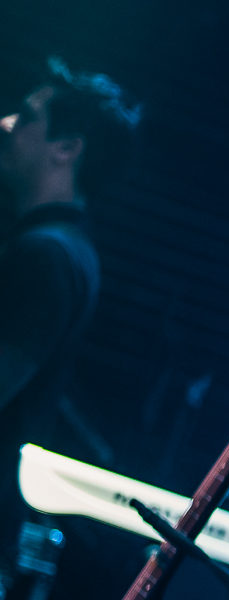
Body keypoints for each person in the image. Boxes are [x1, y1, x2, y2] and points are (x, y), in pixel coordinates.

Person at [0, 58, 139, 538]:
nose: (6, 124)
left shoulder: (48, 255)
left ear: (66, 149)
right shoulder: (68, 249)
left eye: (26, 117)